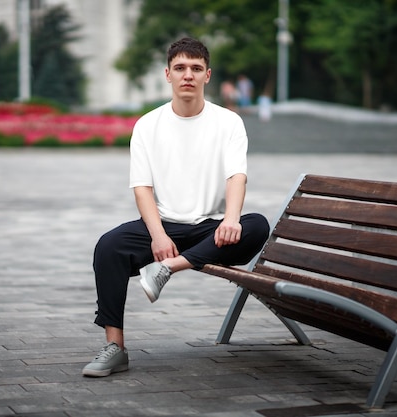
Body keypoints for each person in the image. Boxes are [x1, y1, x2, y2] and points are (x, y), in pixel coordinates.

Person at [82, 37, 270, 377]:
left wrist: (230, 217)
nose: (188, 75)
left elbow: (236, 177)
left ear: (207, 75)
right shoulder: (147, 125)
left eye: (196, 69)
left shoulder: (228, 123)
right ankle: (114, 347)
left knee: (256, 224)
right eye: (181, 68)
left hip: (211, 229)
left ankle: (168, 269)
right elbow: (142, 188)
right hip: (165, 224)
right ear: (167, 74)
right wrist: (157, 235)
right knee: (109, 247)